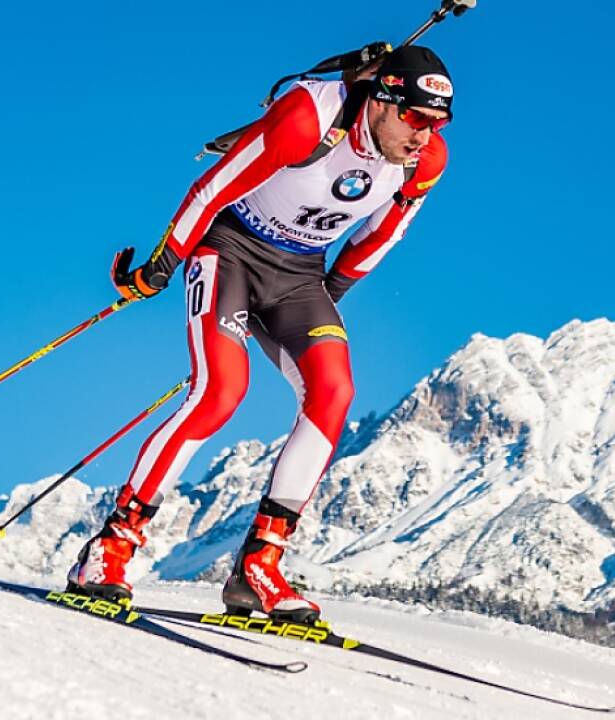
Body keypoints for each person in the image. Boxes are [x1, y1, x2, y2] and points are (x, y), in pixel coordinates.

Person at [66, 46, 453, 623]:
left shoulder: (424, 162)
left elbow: (381, 235)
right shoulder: (307, 119)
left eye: (439, 122)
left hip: (299, 275)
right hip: (230, 252)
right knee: (220, 392)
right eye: (417, 118)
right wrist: (161, 267)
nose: (426, 135)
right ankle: (109, 549)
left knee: (333, 393)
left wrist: (328, 295)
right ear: (381, 100)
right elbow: (211, 190)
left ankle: (258, 566)